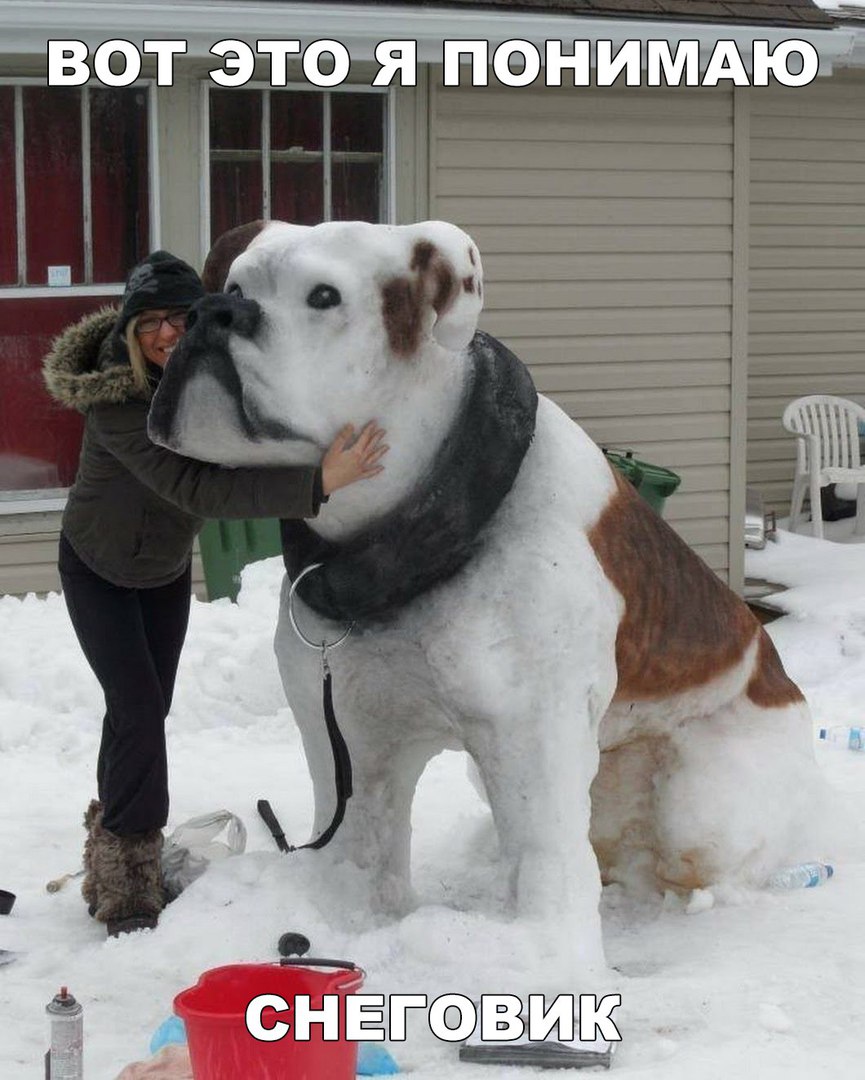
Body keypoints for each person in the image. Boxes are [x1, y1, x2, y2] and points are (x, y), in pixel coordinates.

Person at [42, 251, 387, 936]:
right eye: (150, 324)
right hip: (98, 567)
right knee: (137, 709)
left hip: (163, 568)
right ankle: (128, 881)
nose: (166, 334)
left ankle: (112, 832)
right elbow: (197, 488)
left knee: (143, 709)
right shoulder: (116, 405)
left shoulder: (203, 389)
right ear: (131, 333)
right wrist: (320, 482)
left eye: (179, 318)